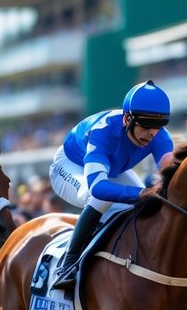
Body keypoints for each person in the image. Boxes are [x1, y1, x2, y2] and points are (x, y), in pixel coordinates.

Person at [49, 80, 174, 289]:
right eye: (145, 126)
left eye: (158, 127)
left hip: (114, 169)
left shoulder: (160, 135)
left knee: (146, 205)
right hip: (71, 166)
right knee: (99, 197)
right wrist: (142, 192)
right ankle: (68, 264)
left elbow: (172, 178)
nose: (152, 134)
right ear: (127, 119)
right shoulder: (103, 131)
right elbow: (98, 187)